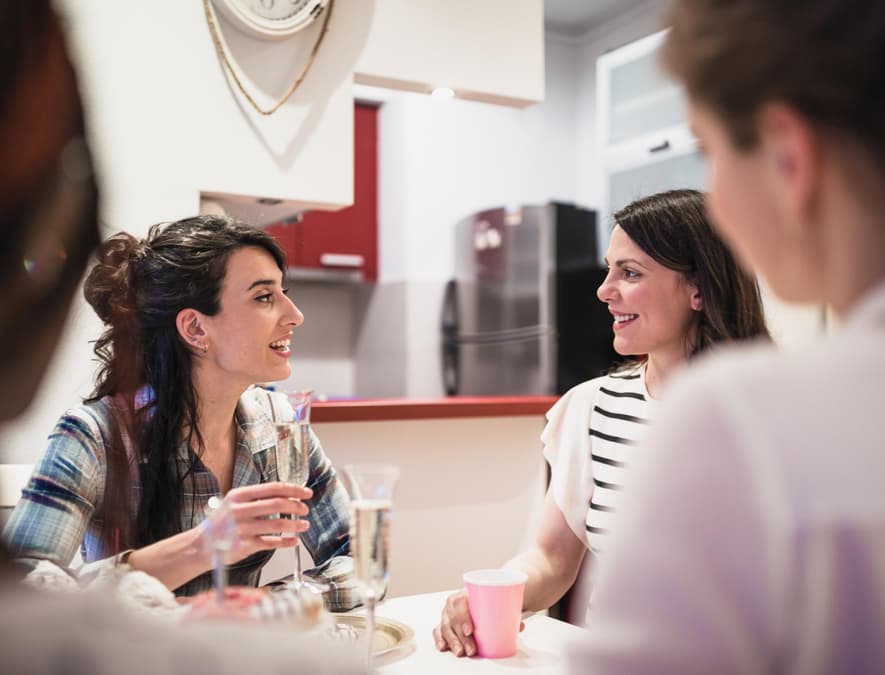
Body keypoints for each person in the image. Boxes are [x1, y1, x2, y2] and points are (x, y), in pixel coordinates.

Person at [568, 1, 885, 672]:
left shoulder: (741, 418)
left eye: (709, 151)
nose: (714, 199)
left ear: (788, 158)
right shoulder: (602, 405)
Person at [434, 188, 770, 656]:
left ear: (699, 288)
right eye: (609, 269)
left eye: (629, 273)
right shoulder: (592, 406)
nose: (603, 290)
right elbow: (552, 558)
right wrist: (496, 592)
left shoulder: (771, 416)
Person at [3, 213, 360, 607]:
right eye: (264, 296)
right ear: (195, 329)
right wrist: (202, 546)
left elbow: (359, 559)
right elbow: (17, 593)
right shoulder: (94, 435)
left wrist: (259, 604)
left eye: (283, 292)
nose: (295, 315)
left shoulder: (282, 426)